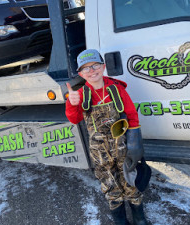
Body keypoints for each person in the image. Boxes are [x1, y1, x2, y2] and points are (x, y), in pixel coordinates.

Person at [65, 49, 151, 225]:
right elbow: (74, 119)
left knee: (130, 181)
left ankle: (139, 217)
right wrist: (72, 104)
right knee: (109, 184)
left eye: (95, 65)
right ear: (81, 73)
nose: (92, 71)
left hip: (123, 146)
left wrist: (135, 145)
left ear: (103, 66)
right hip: (99, 151)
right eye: (86, 68)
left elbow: (132, 116)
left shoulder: (116, 88)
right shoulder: (80, 94)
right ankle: (119, 220)